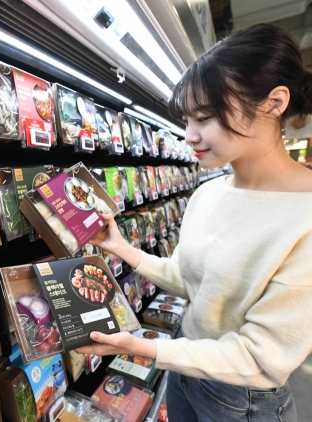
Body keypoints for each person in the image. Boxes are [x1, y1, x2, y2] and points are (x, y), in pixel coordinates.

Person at [77, 23, 312, 422]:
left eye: (204, 117)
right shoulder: (208, 192)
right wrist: (122, 249)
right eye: (187, 119)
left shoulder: (303, 216)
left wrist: (146, 349)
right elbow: (196, 281)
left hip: (243, 401)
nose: (189, 135)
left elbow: (261, 357)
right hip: (184, 366)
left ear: (274, 103)